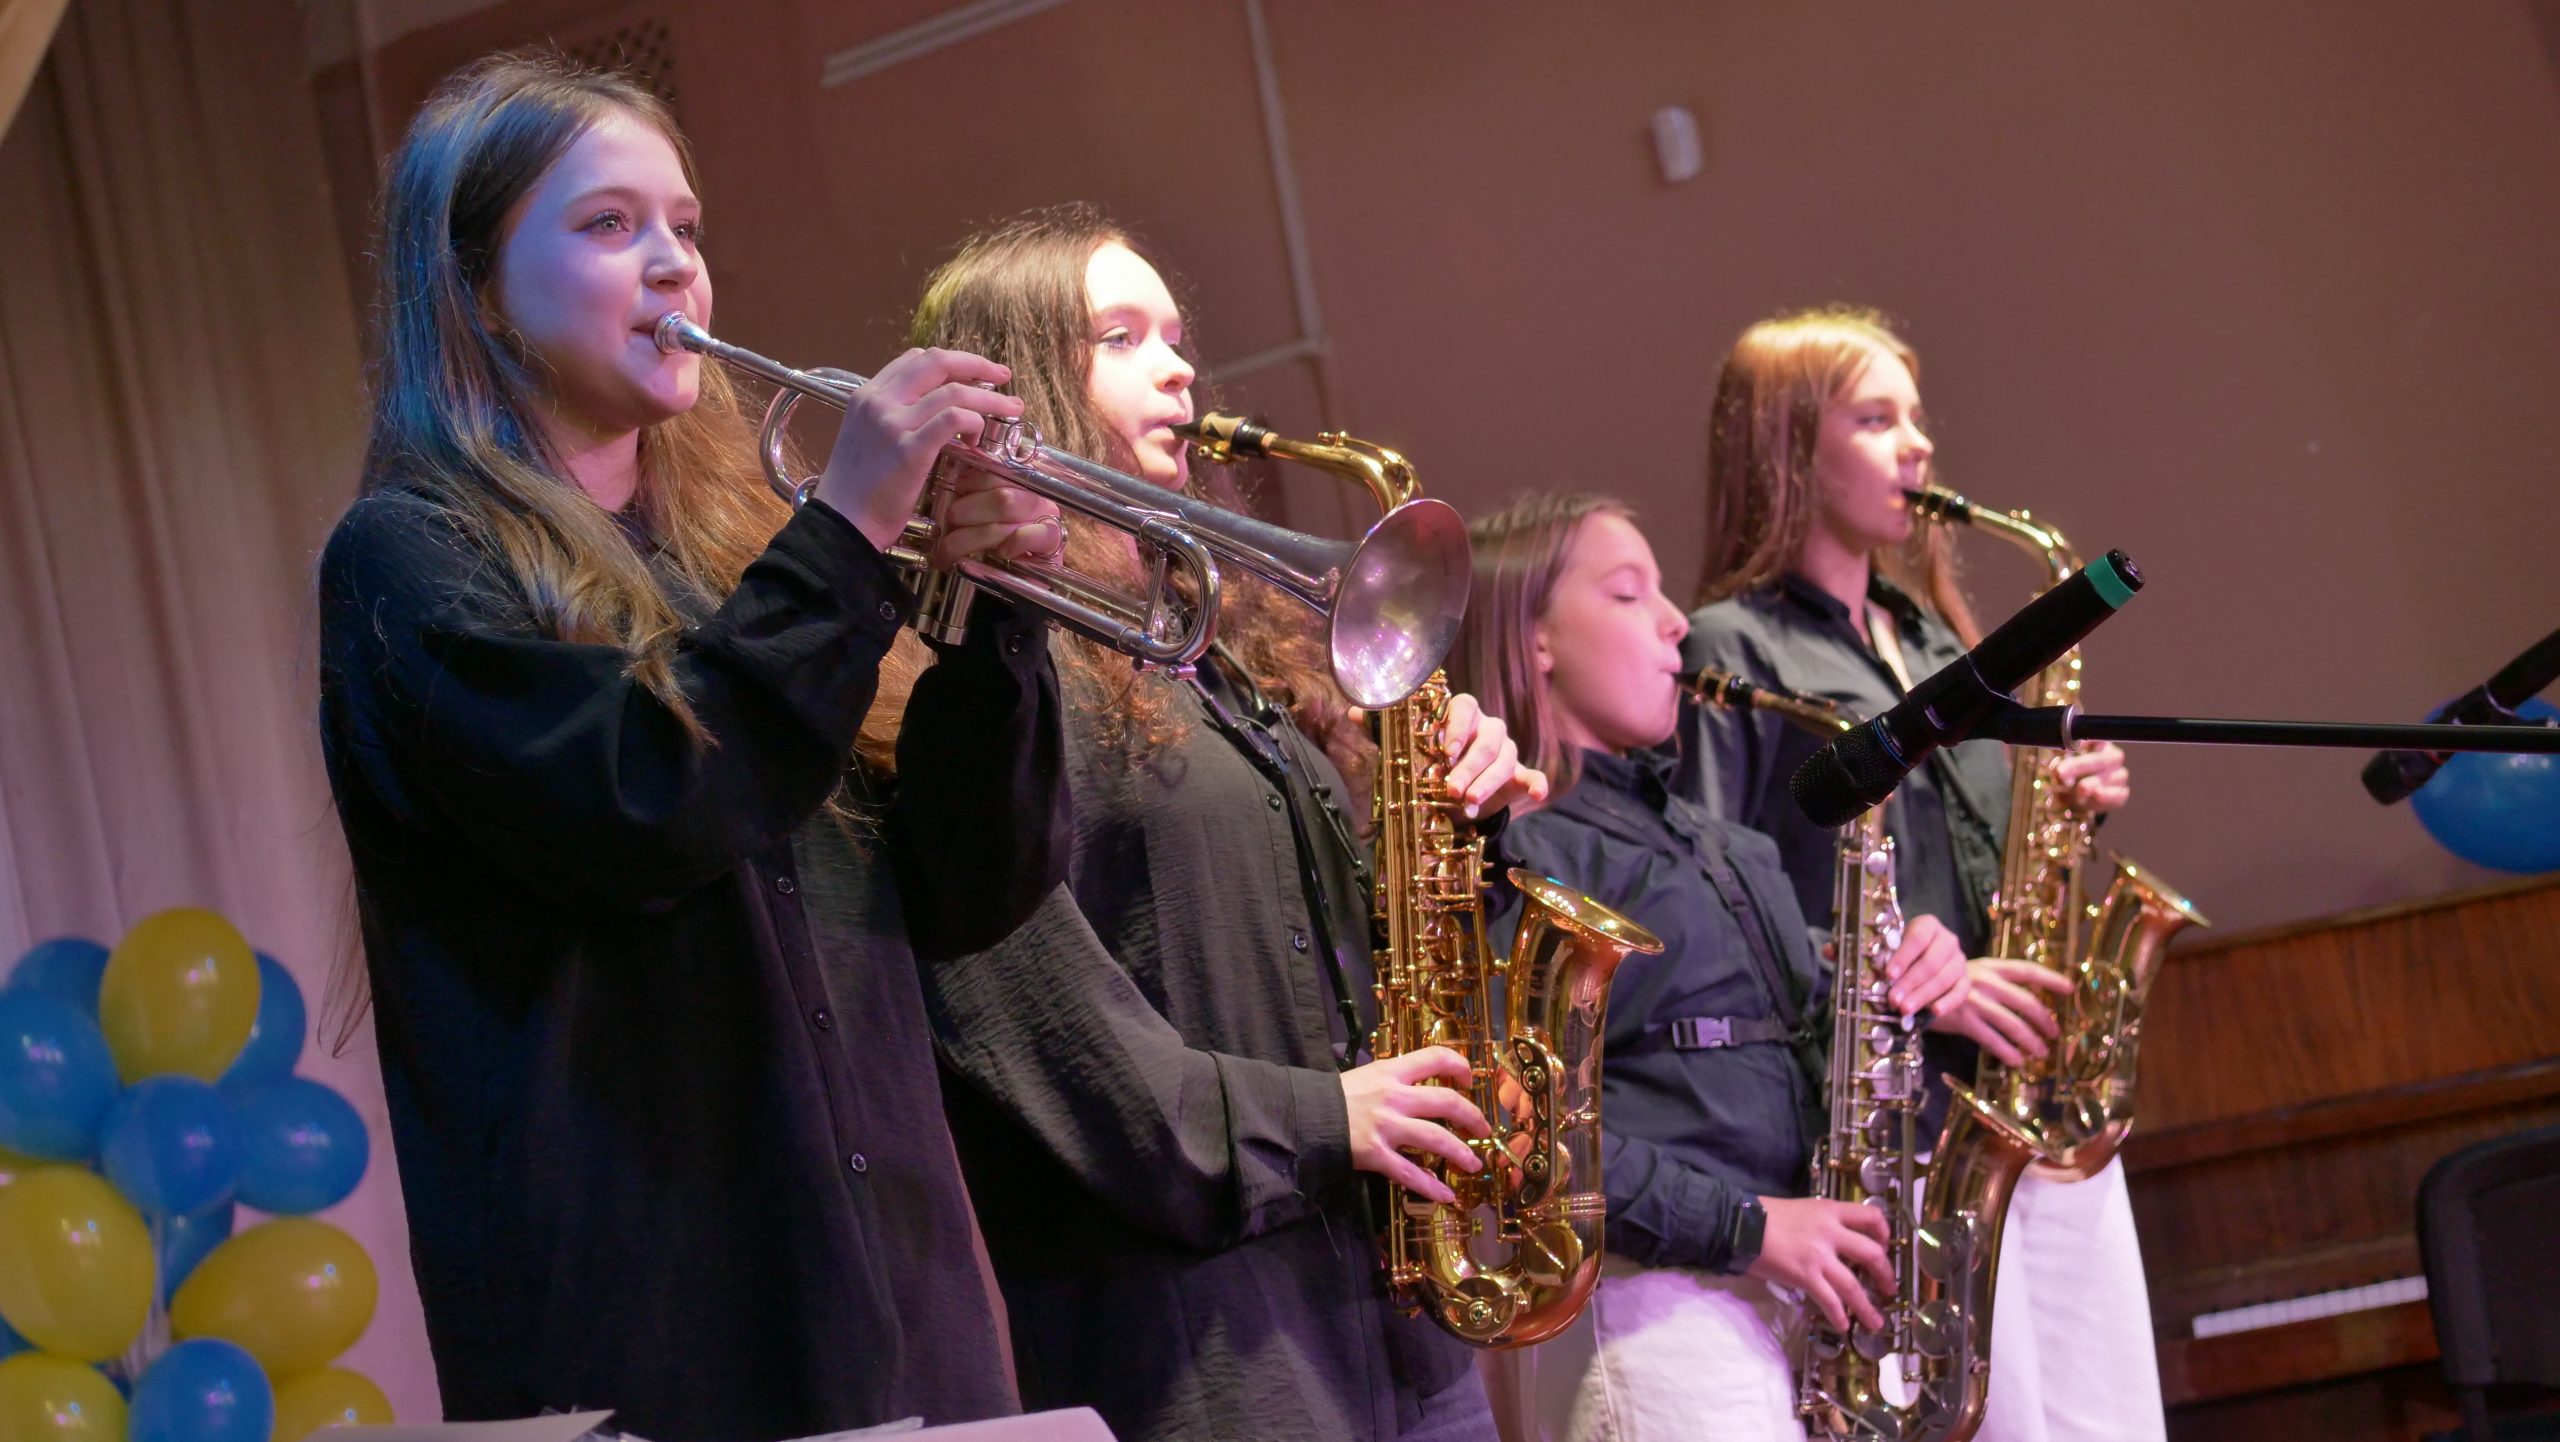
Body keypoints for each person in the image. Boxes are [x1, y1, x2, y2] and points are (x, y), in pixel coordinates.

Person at [316, 51, 1066, 1440]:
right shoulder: (410, 557)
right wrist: (847, 535)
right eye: (610, 225)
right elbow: (649, 797)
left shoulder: (748, 568)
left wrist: (996, 619)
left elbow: (970, 888)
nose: (675, 265)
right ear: (478, 287)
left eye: (686, 225)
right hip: (662, 1360)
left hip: (905, 1328)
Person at [905, 204, 1536, 1442]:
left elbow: (1372, 945)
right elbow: (1037, 1030)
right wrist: (1324, 1118)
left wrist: (1463, 825)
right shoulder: (985, 673)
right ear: (1021, 381)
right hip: (1219, 1352)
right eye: (1121, 336)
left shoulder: (1224, 648)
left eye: (1177, 336)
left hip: (1392, 1326)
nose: (1179, 368)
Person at [1675, 306, 2160, 1442]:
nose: (1919, 444)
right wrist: (1916, 980)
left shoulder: (1938, 636)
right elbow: (1713, 899)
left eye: (1917, 416)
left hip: (2032, 1100)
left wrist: (2065, 804)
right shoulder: (1730, 648)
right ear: (1788, 449)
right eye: (1875, 418)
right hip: (1905, 1122)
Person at [1449, 492, 1974, 1441]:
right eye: (1627, 594)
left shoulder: (1731, 848)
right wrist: (1750, 1226)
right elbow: (1516, 1129)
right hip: (1651, 1305)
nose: (1676, 622)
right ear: (1534, 640)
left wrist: (1911, 973)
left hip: (1793, 1286)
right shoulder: (1509, 856)